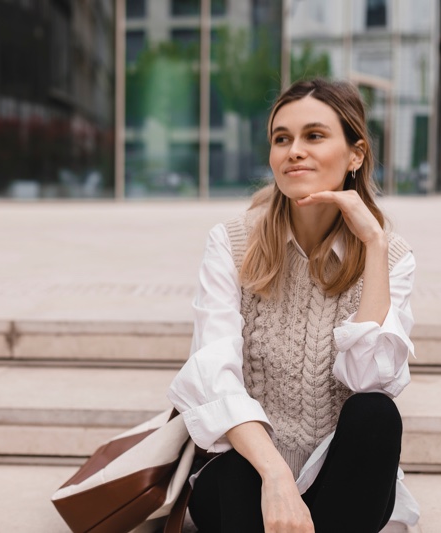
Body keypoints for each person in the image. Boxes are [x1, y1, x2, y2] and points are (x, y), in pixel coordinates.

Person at [167, 78, 419, 533]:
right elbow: (211, 375)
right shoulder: (233, 241)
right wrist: (276, 476)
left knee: (376, 414)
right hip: (249, 472)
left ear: (355, 154)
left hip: (336, 481)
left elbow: (370, 380)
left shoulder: (392, 255)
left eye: (314, 136)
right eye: (281, 138)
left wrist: (375, 246)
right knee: (239, 476)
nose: (294, 150)